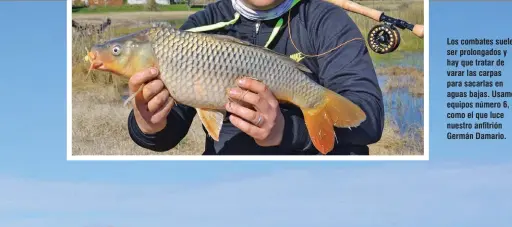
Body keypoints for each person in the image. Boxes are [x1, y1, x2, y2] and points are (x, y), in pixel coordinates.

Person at [127, 0, 385, 155]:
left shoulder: (326, 21)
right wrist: (150, 124)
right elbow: (168, 133)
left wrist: (286, 131)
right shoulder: (201, 24)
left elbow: (367, 121)